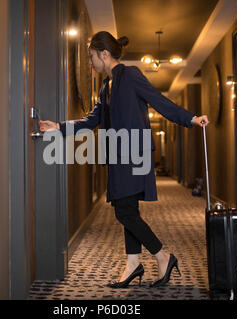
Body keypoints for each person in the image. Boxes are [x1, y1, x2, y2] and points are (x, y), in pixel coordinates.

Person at [39, 31, 209, 288]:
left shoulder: (130, 75)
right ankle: (133, 263)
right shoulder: (105, 87)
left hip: (133, 154)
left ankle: (163, 257)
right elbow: (92, 120)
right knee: (127, 209)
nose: (90, 62)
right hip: (118, 156)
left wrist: (190, 118)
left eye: (91, 56)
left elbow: (157, 99)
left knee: (125, 212)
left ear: (104, 54)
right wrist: (59, 127)